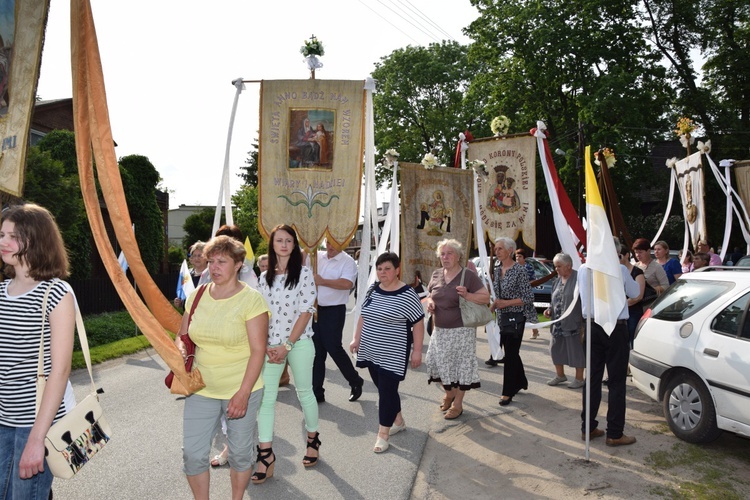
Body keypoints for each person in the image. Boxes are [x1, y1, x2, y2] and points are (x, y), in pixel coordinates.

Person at [177, 235, 269, 499]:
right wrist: (181, 348)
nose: (213, 267)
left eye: (222, 261)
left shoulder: (252, 300)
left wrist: (243, 393)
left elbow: (258, 351)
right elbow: (183, 335)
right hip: (201, 388)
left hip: (241, 390)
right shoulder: (196, 296)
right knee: (193, 455)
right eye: (211, 261)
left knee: (240, 454)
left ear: (238, 264)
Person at [0, 203, 76, 500]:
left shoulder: (56, 293)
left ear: (35, 240)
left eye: (12, 236)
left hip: (35, 424)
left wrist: (36, 439)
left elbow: (60, 371)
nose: (3, 242)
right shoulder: (1, 292)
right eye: (1, 234)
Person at [251, 225, 319, 482]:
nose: (283, 244)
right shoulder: (263, 277)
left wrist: (287, 346)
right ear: (272, 244)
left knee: (304, 393)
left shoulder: (303, 274)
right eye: (279, 240)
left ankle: (313, 440)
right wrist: (266, 346)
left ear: (294, 245)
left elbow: (306, 311)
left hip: (299, 343)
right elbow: (260, 314)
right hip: (271, 348)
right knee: (266, 400)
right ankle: (265, 454)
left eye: (288, 241)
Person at [350, 252, 425, 453]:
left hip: (394, 353)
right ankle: (398, 420)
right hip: (371, 349)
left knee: (386, 392)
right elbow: (363, 316)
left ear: (397, 270)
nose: (382, 272)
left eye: (387, 268)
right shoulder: (374, 290)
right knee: (385, 389)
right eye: (379, 269)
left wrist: (417, 351)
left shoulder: (408, 294)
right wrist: (356, 339)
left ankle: (383, 433)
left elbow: (418, 324)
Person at [578, 243, 640, 446]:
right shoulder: (620, 269)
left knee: (593, 379)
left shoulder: (583, 269)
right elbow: (635, 291)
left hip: (592, 326)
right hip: (614, 327)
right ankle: (614, 432)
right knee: (616, 382)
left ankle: (587, 427)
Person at [425, 239, 489, 419]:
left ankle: (458, 404)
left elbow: (485, 298)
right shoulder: (437, 274)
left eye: (449, 253)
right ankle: (449, 393)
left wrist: (468, 295)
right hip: (439, 330)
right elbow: (431, 294)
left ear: (458, 256)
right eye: (442, 254)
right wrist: (430, 302)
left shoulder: (467, 275)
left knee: (461, 367)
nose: (445, 257)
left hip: (462, 331)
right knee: (436, 363)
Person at [312, 244, 364, 403]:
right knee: (317, 351)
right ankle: (317, 392)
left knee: (333, 347)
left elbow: (347, 284)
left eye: (334, 243)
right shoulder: (316, 256)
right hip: (314, 310)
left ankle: (355, 381)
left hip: (334, 310)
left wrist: (322, 281)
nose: (330, 246)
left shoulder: (347, 261)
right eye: (328, 242)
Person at [491, 237, 535, 406]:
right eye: (496, 249)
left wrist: (506, 303)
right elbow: (497, 295)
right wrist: (491, 309)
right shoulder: (497, 268)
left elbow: (528, 297)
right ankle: (521, 380)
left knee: (509, 354)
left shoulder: (519, 270)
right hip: (502, 316)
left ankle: (507, 392)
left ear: (510, 250)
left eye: (500, 248)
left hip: (516, 316)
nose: (497, 252)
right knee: (510, 351)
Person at [543, 253, 585, 389]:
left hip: (574, 324)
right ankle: (560, 375)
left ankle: (579, 379)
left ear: (569, 266)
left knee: (576, 351)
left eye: (559, 266)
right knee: (555, 349)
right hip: (558, 324)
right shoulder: (556, 280)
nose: (556, 269)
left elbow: (584, 301)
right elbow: (554, 299)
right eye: (555, 267)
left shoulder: (579, 279)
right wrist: (549, 309)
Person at [199, 225, 259, 290]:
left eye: (221, 261)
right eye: (211, 261)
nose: (215, 267)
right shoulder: (206, 273)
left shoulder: (247, 273)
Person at [619, 244, 645, 348]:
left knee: (632, 340)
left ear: (627, 255)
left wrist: (622, 305)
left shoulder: (637, 272)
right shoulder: (616, 271)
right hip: (620, 313)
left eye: (619, 255)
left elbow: (638, 296)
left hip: (633, 312)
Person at [632, 238, 669, 306]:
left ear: (648, 251)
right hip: (636, 305)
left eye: (640, 252)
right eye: (636, 252)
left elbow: (666, 286)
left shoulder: (657, 267)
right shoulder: (634, 266)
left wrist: (653, 289)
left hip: (652, 305)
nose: (637, 255)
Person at [515, 248, 540, 339]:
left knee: (530, 313)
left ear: (524, 258)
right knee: (516, 313)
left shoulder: (528, 267)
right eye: (516, 256)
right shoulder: (513, 267)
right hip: (516, 295)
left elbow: (533, 280)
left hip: (526, 294)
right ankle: (517, 332)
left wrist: (525, 284)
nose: (518, 258)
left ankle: (535, 331)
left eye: (520, 256)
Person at [175, 241, 207, 308]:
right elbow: (184, 295)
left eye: (200, 255)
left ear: (206, 257)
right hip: (187, 315)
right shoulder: (187, 274)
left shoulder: (212, 275)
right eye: (194, 256)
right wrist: (180, 303)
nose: (196, 258)